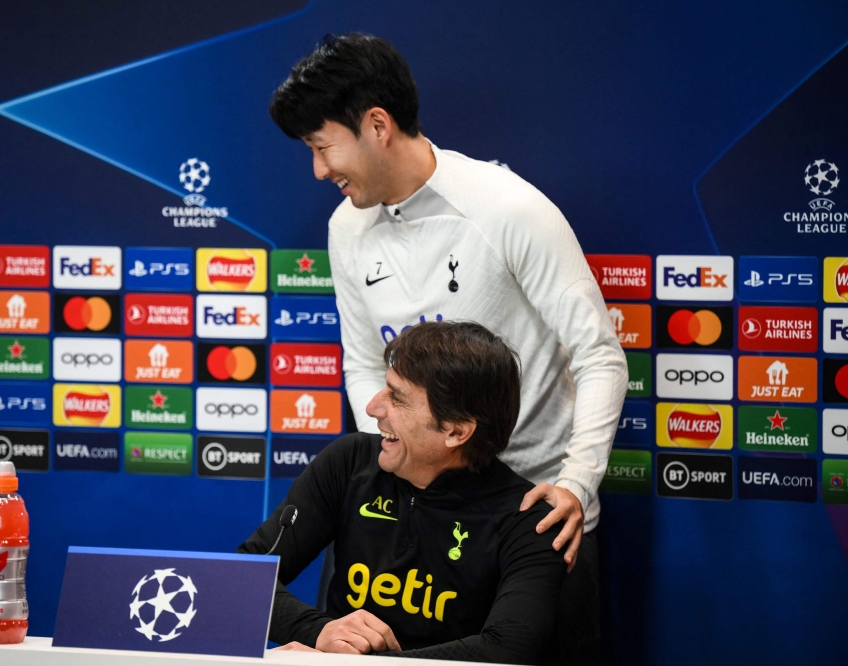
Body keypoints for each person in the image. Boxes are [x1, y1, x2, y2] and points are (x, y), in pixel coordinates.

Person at [268, 33, 628, 663]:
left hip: (531, 523)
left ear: (377, 125)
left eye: (323, 147)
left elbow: (598, 354)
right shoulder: (346, 227)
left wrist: (575, 484)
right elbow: (360, 361)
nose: (320, 170)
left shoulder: (509, 209)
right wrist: (394, 458)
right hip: (404, 523)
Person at [239, 322, 566, 663]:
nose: (373, 408)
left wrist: (362, 663)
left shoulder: (529, 519)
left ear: (455, 431)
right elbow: (240, 579)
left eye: (397, 398)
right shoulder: (348, 462)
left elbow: (509, 649)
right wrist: (318, 631)